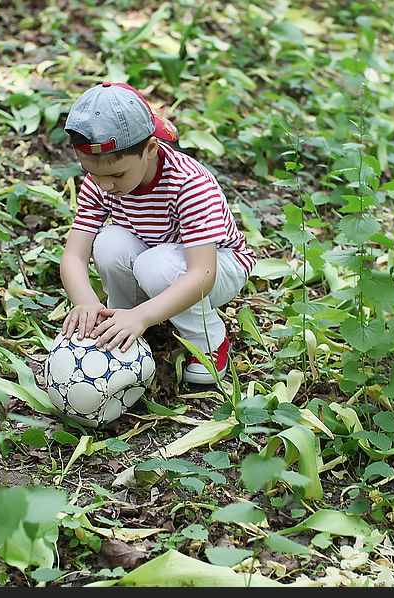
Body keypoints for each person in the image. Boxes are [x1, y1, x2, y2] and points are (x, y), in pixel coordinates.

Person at [59, 82, 256, 384]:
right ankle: (121, 321)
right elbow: (73, 255)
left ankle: (209, 342)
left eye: (116, 175)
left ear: (150, 149)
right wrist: (86, 302)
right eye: (92, 173)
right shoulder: (100, 182)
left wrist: (145, 315)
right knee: (110, 242)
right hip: (157, 257)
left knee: (156, 265)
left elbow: (202, 274)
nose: (105, 185)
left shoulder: (188, 183)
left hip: (217, 266)